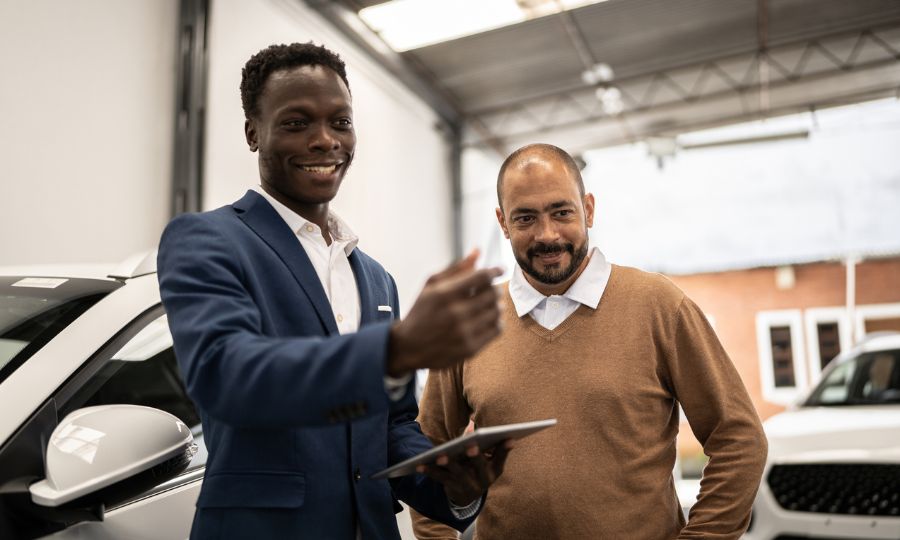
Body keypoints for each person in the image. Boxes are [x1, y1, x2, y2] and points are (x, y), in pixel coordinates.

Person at [157, 42, 510, 540]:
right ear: (253, 132)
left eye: (340, 122)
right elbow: (227, 375)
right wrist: (397, 347)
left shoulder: (375, 278)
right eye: (297, 123)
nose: (325, 140)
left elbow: (389, 426)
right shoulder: (206, 240)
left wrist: (454, 484)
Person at [412, 143, 768, 539]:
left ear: (589, 209)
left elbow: (739, 438)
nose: (547, 235)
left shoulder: (658, 305)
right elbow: (429, 453)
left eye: (561, 212)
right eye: (525, 218)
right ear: (503, 223)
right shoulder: (468, 321)